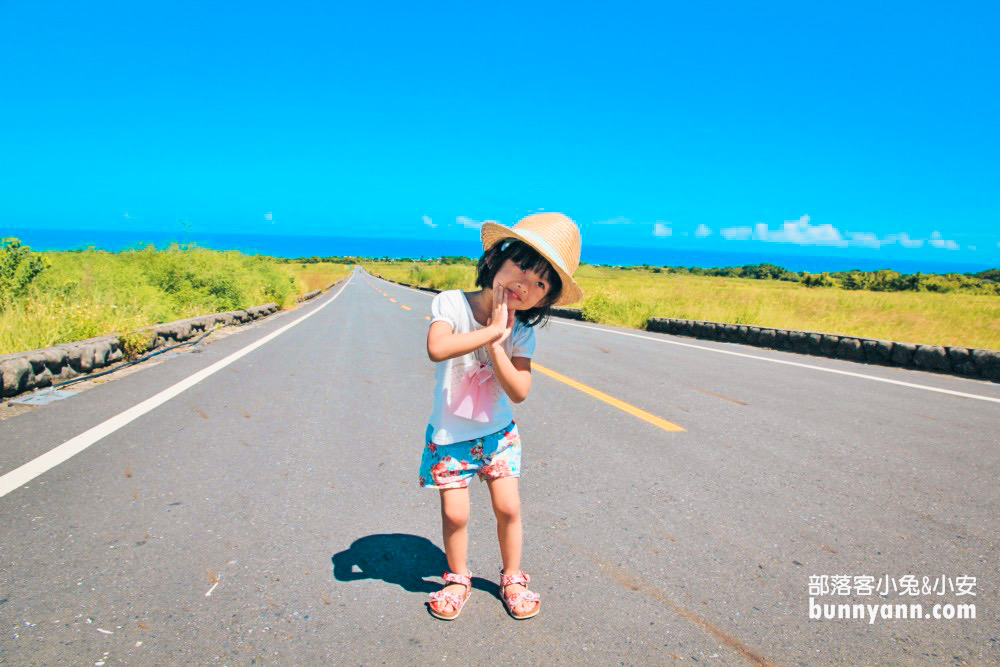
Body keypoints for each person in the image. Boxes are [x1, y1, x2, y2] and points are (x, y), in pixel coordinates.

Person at [419, 212, 584, 620]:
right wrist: (491, 331)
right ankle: (457, 577)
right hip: (450, 436)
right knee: (455, 514)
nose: (525, 284)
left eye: (541, 283)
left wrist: (498, 345)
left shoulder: (523, 332)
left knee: (509, 509)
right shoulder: (451, 304)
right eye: (523, 267)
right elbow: (438, 348)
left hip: (499, 436)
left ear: (544, 300)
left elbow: (519, 391)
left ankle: (513, 576)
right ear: (496, 260)